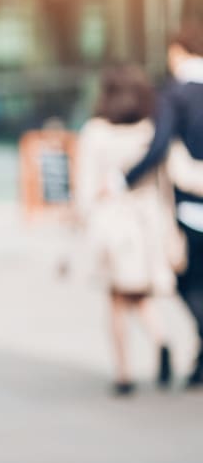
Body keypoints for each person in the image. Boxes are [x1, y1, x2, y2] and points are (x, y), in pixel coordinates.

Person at [75, 65, 177, 396]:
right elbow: (165, 183)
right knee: (137, 292)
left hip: (112, 225)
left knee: (117, 298)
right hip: (146, 221)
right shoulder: (149, 130)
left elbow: (86, 187)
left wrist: (82, 218)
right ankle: (161, 339)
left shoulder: (96, 132)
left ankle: (123, 372)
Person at [123, 19, 203, 388]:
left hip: (190, 203)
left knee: (189, 282)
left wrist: (124, 179)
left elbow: (158, 147)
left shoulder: (175, 94)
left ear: (177, 51)